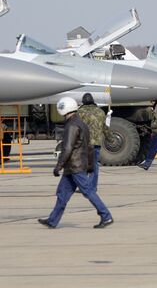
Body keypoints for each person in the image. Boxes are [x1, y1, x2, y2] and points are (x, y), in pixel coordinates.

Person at [38, 97, 113, 229]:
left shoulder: (72, 125)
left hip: (75, 166)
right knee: (62, 193)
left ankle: (106, 216)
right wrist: (89, 164)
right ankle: (52, 220)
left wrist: (58, 166)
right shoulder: (80, 123)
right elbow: (89, 146)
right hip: (74, 167)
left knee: (88, 191)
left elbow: (67, 148)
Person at [77, 93, 109, 192]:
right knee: (94, 165)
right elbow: (105, 127)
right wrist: (110, 138)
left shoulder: (79, 112)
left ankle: (84, 186)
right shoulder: (100, 112)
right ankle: (93, 187)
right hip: (96, 143)